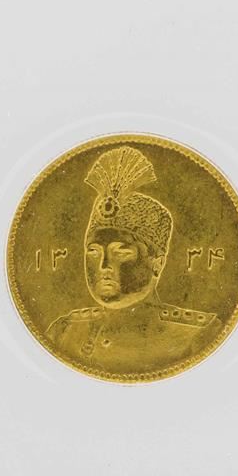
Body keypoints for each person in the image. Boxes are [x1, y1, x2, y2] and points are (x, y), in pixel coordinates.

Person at [47, 146, 220, 370]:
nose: (104, 266)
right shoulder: (64, 332)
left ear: (157, 263)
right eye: (94, 252)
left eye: (122, 253)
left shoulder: (199, 335)